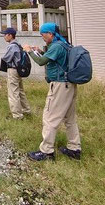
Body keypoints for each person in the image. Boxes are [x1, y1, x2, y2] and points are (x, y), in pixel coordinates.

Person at [23, 22, 81, 161]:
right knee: (69, 118)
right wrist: (40, 51)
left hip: (60, 86)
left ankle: (46, 151)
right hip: (69, 85)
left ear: (50, 34)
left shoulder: (55, 46)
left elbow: (42, 62)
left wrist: (29, 51)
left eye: (43, 34)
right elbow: (54, 59)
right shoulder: (64, 44)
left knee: (49, 117)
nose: (42, 37)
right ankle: (74, 148)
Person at [1, 27, 31, 120]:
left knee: (13, 92)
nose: (4, 37)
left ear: (10, 35)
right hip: (18, 70)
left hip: (13, 70)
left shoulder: (12, 46)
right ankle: (26, 110)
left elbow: (6, 58)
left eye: (5, 35)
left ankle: (17, 115)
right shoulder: (18, 44)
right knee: (20, 91)